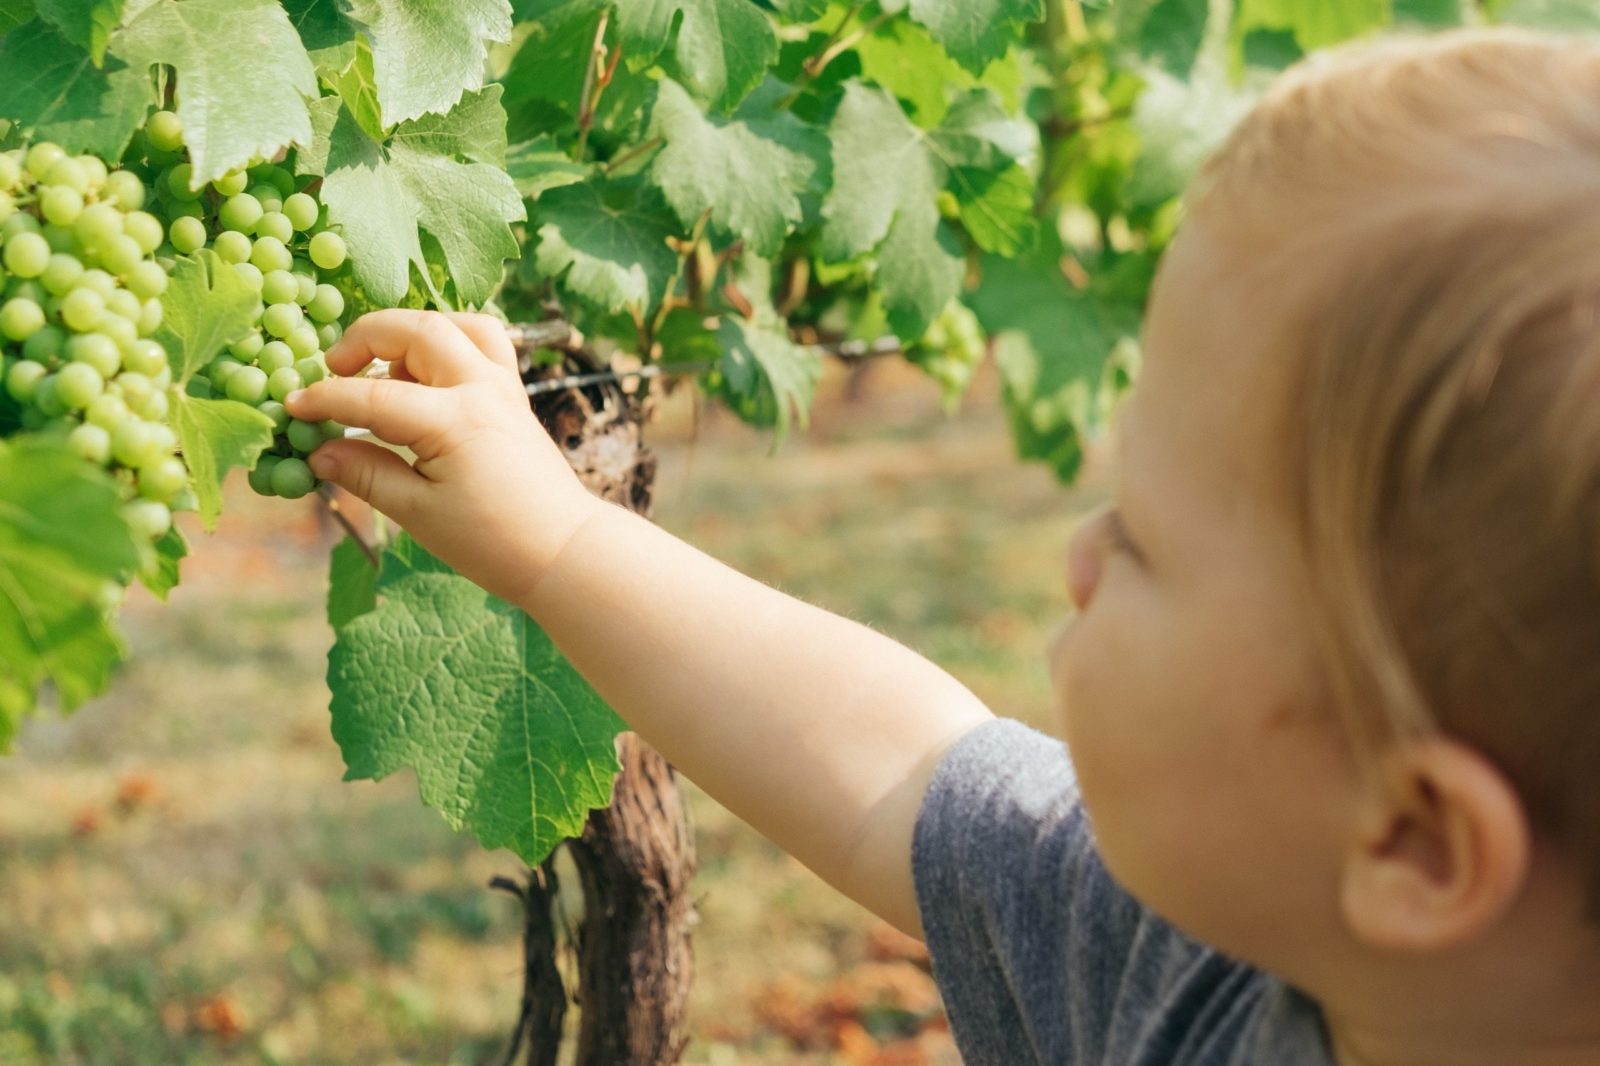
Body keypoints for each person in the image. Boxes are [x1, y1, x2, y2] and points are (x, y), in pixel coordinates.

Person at [284, 27, 1600, 1065]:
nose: (1082, 554)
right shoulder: (1204, 948)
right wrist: (555, 540)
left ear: (1420, 844)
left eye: (1142, 540)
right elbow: (897, 759)